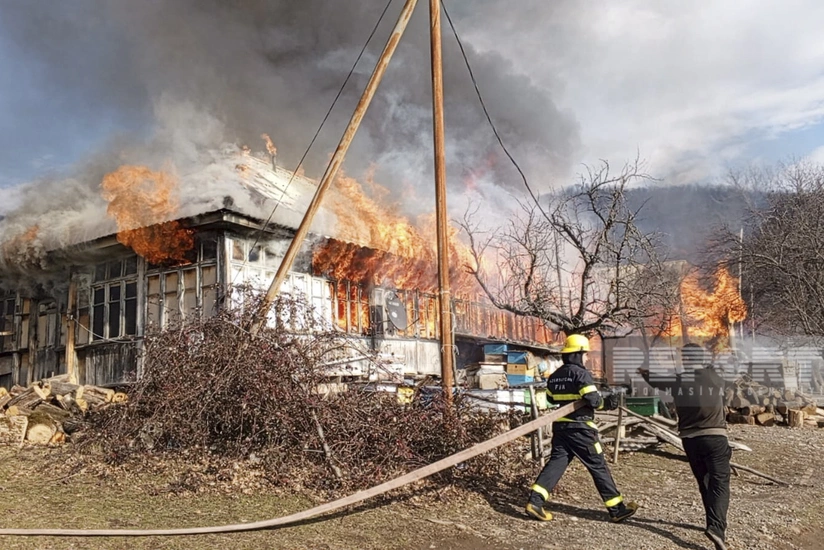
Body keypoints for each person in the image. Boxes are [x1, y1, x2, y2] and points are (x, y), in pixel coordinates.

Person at [525, 334, 639, 523]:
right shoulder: (581, 373)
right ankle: (617, 509)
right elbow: (593, 400)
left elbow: (551, 399)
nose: (586, 358)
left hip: (561, 429)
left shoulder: (554, 377)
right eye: (584, 354)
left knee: (556, 463)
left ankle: (535, 502)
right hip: (581, 429)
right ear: (577, 354)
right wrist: (608, 403)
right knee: (598, 465)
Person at [638, 343, 732, 550]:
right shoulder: (715, 376)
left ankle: (712, 524)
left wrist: (643, 371)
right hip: (715, 436)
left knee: (704, 482)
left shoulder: (677, 380)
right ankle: (716, 528)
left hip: (689, 440)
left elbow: (655, 380)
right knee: (720, 482)